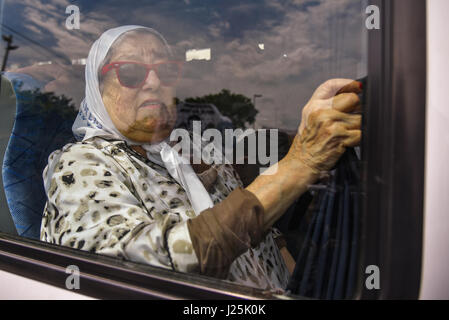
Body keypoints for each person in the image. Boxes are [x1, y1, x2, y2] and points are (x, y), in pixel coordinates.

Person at [40, 25, 362, 291]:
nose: (153, 82)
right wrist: (300, 164)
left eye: (165, 71)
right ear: (98, 88)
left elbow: (266, 239)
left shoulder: (193, 150)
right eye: (131, 73)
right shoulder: (80, 164)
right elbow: (138, 270)